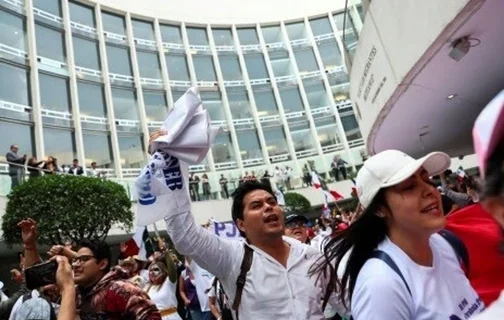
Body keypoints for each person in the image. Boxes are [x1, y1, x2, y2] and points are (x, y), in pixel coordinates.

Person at [136, 131, 343, 319]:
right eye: (256, 205)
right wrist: (170, 166)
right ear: (241, 224)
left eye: (272, 202)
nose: (268, 207)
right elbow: (184, 235)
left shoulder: (312, 256)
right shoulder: (232, 257)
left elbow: (347, 303)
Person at [313, 150, 484, 319]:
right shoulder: (380, 286)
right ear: (380, 209)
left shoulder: (446, 244)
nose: (430, 191)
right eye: (409, 187)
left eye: (426, 180)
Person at [72, 239, 161, 319]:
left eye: (84, 259)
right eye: (75, 260)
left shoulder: (120, 289)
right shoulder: (74, 293)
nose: (75, 265)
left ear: (102, 264)